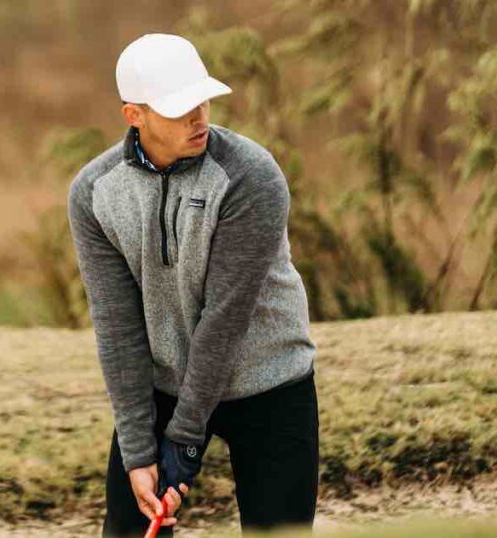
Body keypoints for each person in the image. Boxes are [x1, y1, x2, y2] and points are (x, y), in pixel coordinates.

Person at [67, 33, 319, 537]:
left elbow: (223, 321)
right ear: (134, 115)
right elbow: (118, 330)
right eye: (180, 108)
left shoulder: (250, 175)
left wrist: (183, 441)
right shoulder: (95, 193)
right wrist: (140, 451)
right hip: (163, 386)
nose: (198, 117)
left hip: (269, 383)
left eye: (202, 100)